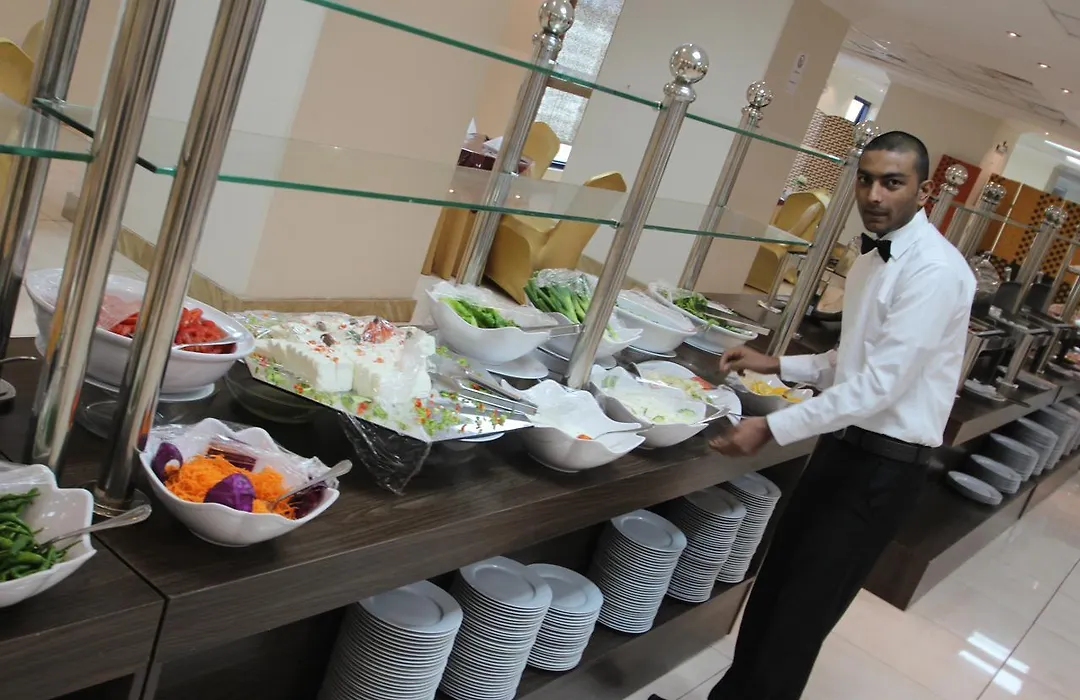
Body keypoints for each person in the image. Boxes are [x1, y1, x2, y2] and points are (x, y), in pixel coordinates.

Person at [650, 131, 975, 700]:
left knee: (796, 624)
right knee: (774, 594)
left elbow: (880, 385)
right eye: (866, 180)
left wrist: (770, 426)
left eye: (892, 182)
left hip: (884, 470)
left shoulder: (936, 272)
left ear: (922, 192)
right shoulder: (874, 257)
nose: (874, 195)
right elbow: (850, 361)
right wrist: (776, 363)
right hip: (843, 449)